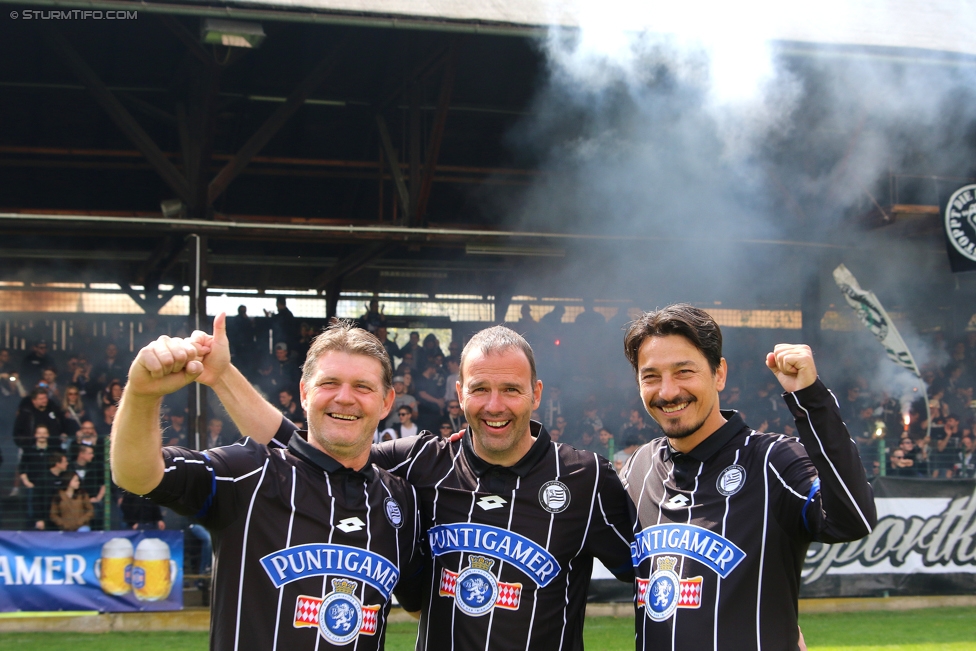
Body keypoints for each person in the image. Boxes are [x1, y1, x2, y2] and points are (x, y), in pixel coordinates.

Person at [195, 319, 634, 651]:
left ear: (536, 394)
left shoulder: (586, 477)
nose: (494, 406)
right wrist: (221, 376)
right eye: (480, 389)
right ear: (459, 394)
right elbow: (307, 444)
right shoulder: (421, 463)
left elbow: (650, 576)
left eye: (511, 390)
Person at [110, 317, 422, 650]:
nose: (344, 398)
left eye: (362, 386)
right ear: (304, 392)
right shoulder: (248, 472)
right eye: (329, 383)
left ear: (387, 402)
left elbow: (418, 604)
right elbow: (137, 475)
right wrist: (142, 393)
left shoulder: (400, 502)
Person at [619, 304, 876, 650]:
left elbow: (853, 520)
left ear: (719, 374)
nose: (667, 392)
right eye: (651, 377)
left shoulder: (774, 460)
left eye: (684, 372)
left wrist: (811, 399)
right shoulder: (639, 467)